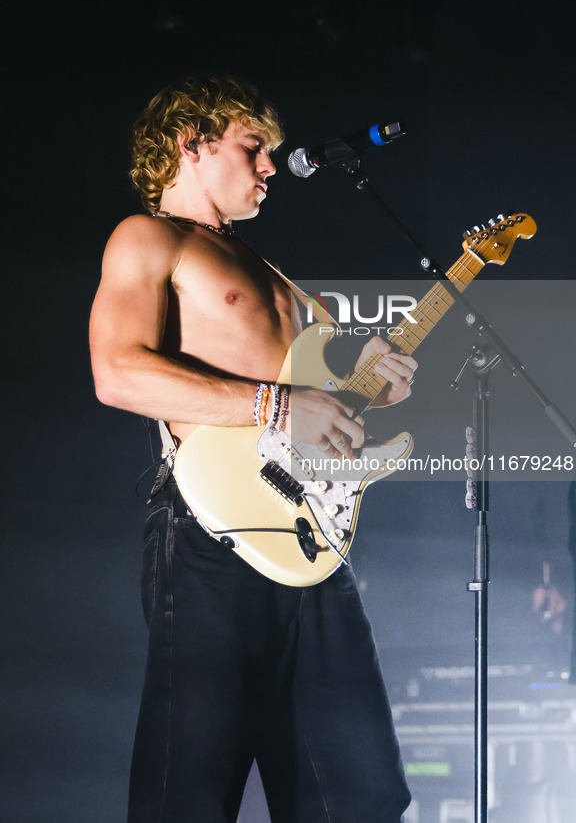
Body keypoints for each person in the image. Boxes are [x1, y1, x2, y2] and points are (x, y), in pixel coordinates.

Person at [89, 74, 416, 823]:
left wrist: (362, 394)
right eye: (253, 147)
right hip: (209, 532)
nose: (271, 166)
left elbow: (305, 414)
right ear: (190, 144)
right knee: (191, 788)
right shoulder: (149, 238)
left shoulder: (274, 272)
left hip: (308, 534)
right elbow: (116, 372)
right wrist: (280, 405)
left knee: (359, 792)